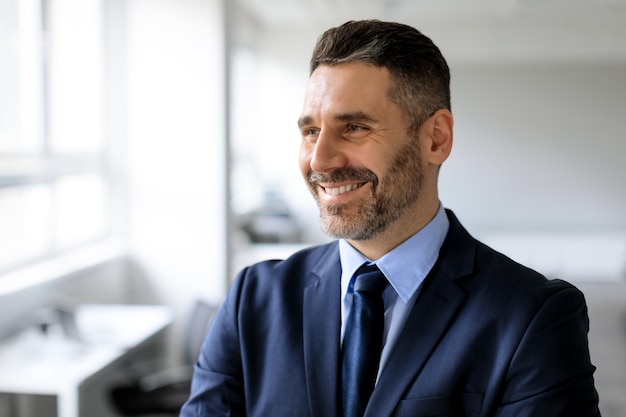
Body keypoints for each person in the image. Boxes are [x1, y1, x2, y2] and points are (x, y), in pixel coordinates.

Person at [180, 20, 600, 417]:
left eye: (355, 128)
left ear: (436, 139)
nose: (319, 160)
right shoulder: (253, 301)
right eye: (310, 132)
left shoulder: (532, 317)